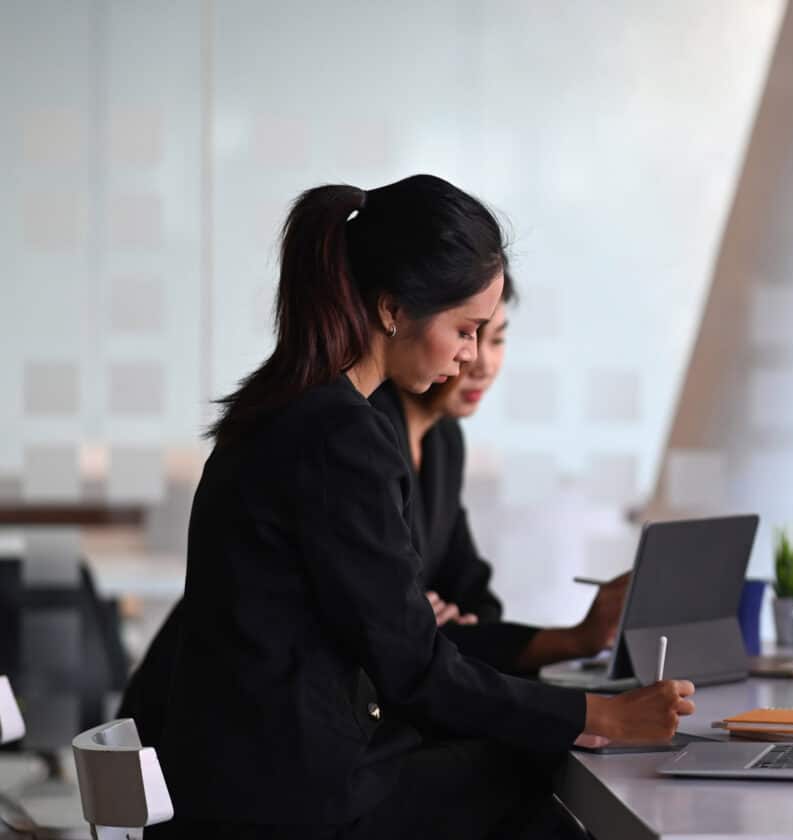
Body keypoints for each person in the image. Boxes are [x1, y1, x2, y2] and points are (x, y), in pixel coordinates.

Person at [150, 175, 693, 839]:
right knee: (540, 795)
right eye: (466, 330)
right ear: (390, 310)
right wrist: (598, 716)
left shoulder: (286, 408)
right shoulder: (341, 435)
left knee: (520, 775)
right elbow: (413, 670)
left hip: (249, 779)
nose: (471, 358)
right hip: (290, 803)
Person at [368, 287, 627, 672]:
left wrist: (458, 624)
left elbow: (474, 594)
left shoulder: (445, 439)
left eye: (498, 339)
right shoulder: (369, 433)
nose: (481, 363)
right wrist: (576, 640)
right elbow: (397, 631)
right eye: (465, 333)